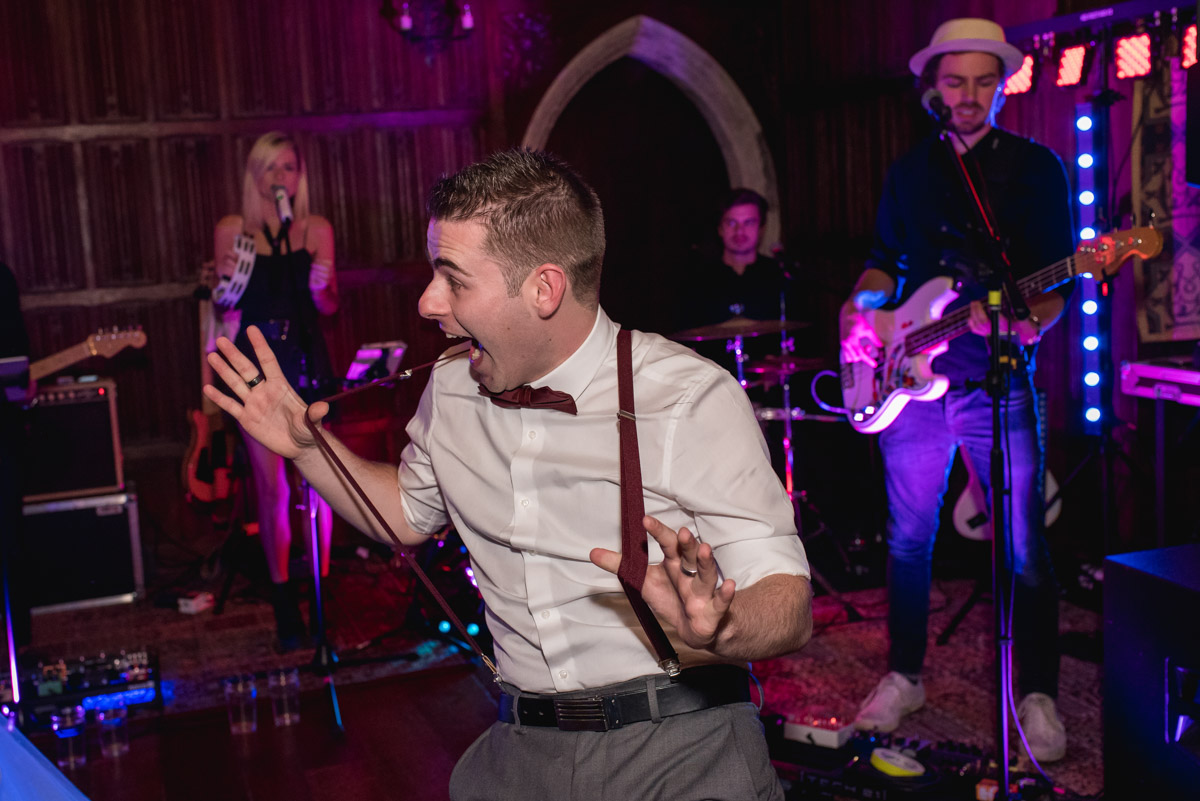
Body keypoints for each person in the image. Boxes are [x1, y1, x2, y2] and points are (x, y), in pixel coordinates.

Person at [205, 148, 813, 799]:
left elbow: (790, 603)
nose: (426, 301)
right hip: (519, 749)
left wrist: (724, 624)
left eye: (454, 279)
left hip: (682, 741)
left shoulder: (689, 397)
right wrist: (306, 447)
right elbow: (407, 515)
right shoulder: (450, 387)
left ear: (544, 288)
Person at [838, 18, 1074, 763]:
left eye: (982, 82)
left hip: (994, 380)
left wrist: (1033, 321)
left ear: (1000, 85)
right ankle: (904, 673)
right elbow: (883, 263)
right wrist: (860, 310)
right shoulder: (909, 171)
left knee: (1026, 543)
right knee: (908, 539)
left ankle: (1035, 690)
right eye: (954, 82)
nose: (969, 95)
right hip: (912, 380)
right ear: (932, 89)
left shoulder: (1036, 169)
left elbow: (1057, 278)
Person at [210, 131, 339, 651]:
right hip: (257, 365)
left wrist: (323, 286)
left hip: (307, 360)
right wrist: (225, 286)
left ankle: (322, 593)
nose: (279, 177)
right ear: (254, 175)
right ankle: (284, 599)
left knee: (324, 480)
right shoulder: (234, 230)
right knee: (273, 489)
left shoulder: (314, 229)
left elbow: (330, 307)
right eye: (270, 168)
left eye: (287, 167)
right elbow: (225, 304)